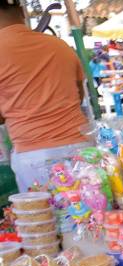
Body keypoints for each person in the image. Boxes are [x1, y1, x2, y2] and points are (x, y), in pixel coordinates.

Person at [0, 0, 90, 192]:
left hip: (33, 156)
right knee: (90, 218)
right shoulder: (59, 45)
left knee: (44, 219)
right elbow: (79, 96)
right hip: (80, 148)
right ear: (23, 12)